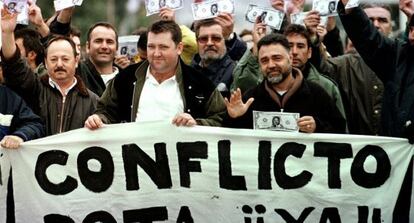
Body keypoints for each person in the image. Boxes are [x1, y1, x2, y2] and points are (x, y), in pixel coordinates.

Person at [84, 20, 226, 129]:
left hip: (180, 165)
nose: (156, 54)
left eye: (163, 47)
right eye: (151, 47)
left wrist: (197, 124)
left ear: (179, 48)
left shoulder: (200, 83)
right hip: (134, 163)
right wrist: (98, 119)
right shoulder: (125, 77)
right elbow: (105, 110)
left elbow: (221, 118)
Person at [1, 9, 98, 136]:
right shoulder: (36, 89)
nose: (59, 64)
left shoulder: (93, 101)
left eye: (65, 59)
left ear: (76, 61)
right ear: (45, 63)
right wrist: (8, 33)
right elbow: (14, 65)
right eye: (53, 59)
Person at [224, 33, 345, 133]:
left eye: (277, 58)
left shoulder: (317, 94)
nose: (271, 65)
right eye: (264, 60)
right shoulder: (250, 98)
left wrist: (317, 127)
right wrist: (235, 118)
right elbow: (233, 143)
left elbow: (340, 130)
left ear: (290, 59)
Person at [306, 4, 394, 135]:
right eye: (369, 20)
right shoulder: (346, 64)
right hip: (357, 149)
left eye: (382, 20)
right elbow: (319, 70)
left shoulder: (402, 61)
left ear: (391, 28)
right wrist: (313, 39)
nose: (375, 24)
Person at [191, 18, 239, 96]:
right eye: (203, 39)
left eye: (216, 38)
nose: (209, 43)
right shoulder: (187, 72)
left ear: (225, 41)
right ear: (197, 42)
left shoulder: (236, 72)